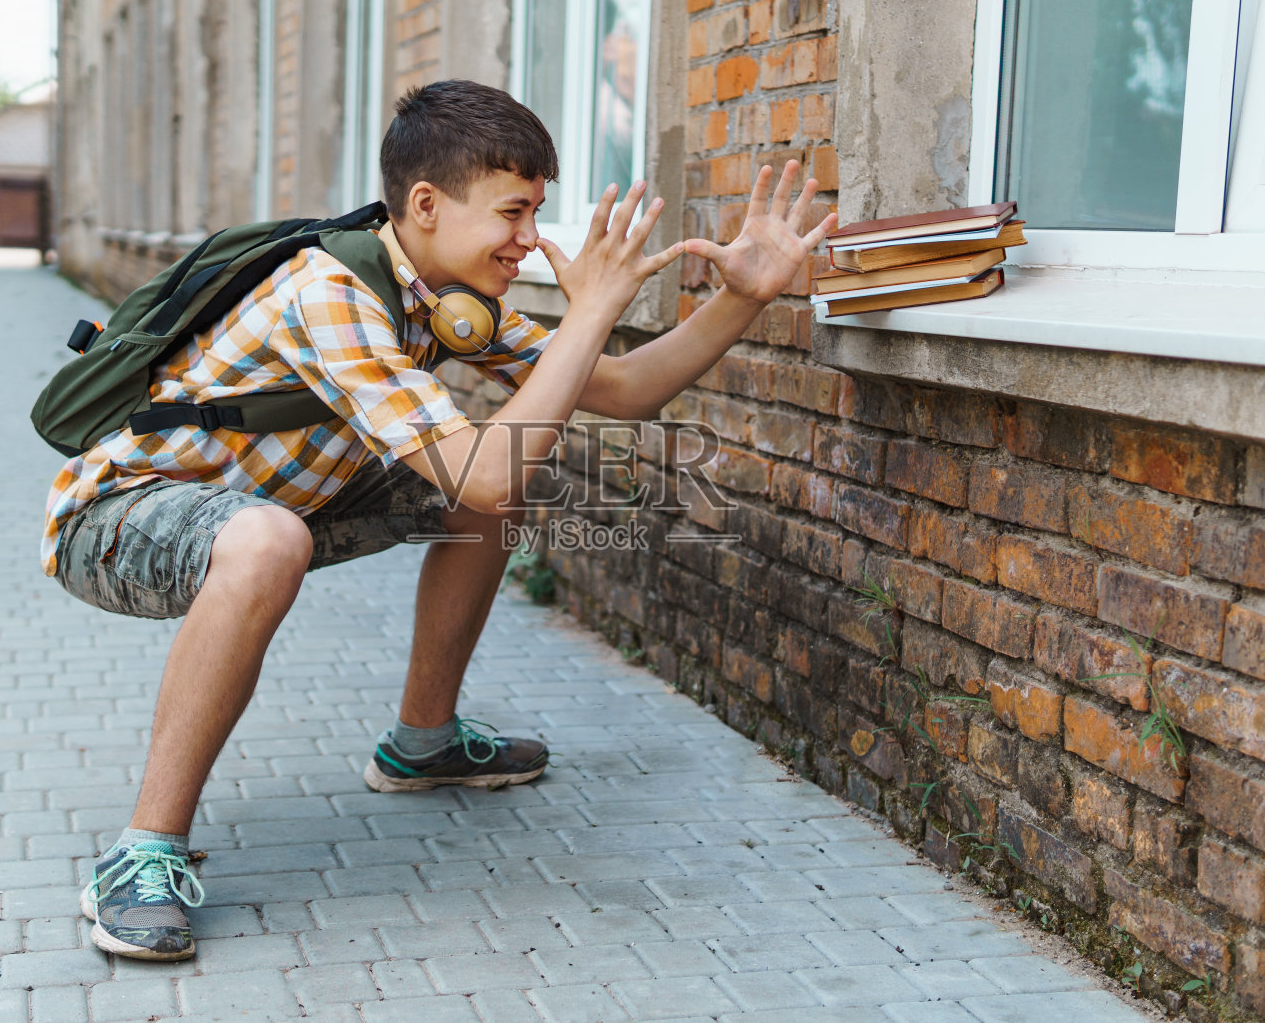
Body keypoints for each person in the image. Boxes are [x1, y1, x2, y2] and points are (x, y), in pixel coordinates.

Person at [42, 79, 835, 961]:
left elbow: (622, 389)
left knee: (494, 475)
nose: (530, 239)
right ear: (426, 204)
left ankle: (422, 744)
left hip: (281, 508)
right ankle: (142, 854)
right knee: (292, 533)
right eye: (513, 213)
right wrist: (592, 309)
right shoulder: (330, 293)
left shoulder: (445, 300)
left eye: (537, 213)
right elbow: (485, 473)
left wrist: (743, 297)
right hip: (118, 519)